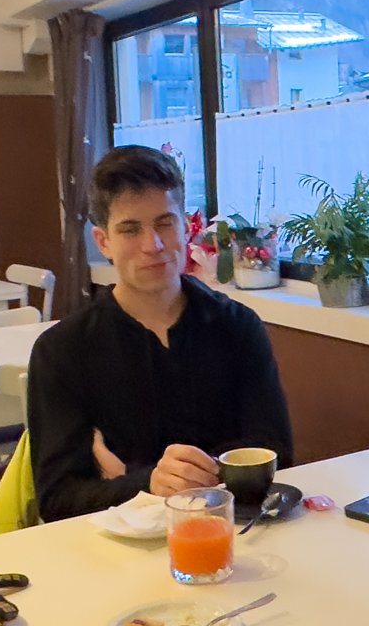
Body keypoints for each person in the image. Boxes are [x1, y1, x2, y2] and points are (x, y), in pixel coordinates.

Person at [27, 144, 294, 522]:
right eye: (130, 229)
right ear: (104, 242)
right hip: (115, 546)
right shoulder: (62, 350)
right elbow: (57, 498)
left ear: (185, 228)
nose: (151, 245)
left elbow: (276, 450)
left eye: (165, 223)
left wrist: (170, 477)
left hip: (234, 532)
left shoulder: (238, 327)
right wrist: (146, 482)